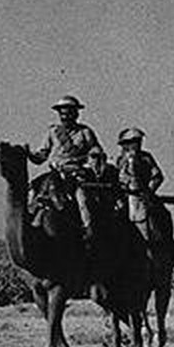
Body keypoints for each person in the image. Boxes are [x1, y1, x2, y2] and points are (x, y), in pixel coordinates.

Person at [26, 95, 104, 241]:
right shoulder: (53, 132)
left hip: (75, 173)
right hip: (55, 172)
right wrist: (29, 154)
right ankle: (31, 225)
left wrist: (93, 157)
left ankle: (88, 228)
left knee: (82, 198)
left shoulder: (85, 132)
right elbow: (42, 155)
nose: (65, 115)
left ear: (75, 113)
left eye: (69, 112)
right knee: (34, 191)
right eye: (62, 112)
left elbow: (96, 151)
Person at [115, 127, 174, 265]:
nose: (136, 144)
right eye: (133, 141)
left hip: (144, 195)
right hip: (125, 196)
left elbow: (158, 176)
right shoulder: (119, 160)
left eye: (137, 141)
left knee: (164, 214)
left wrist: (149, 191)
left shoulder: (146, 157)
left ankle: (172, 248)